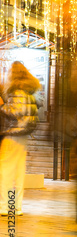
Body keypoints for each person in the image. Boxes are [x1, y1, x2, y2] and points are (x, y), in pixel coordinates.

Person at [0, 61, 41, 216]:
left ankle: (5, 206)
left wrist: (2, 105)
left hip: (13, 134)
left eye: (10, 71)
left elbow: (15, 112)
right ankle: (17, 207)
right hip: (23, 135)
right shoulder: (30, 91)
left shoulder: (18, 91)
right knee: (18, 171)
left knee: (5, 170)